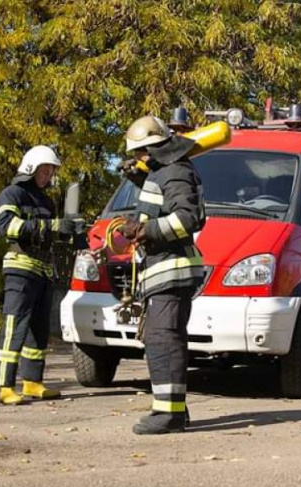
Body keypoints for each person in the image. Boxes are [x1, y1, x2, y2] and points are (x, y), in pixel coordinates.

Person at [119, 116, 206, 434]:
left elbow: (187, 217)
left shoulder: (175, 171)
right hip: (163, 269)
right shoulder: (165, 171)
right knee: (166, 338)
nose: (140, 160)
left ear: (155, 147)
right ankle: (175, 412)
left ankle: (167, 415)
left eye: (142, 153)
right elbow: (162, 204)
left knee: (162, 339)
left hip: (172, 268)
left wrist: (145, 229)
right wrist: (139, 183)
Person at [0, 145, 85, 405]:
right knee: (15, 326)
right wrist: (52, 225)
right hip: (20, 268)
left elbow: (50, 232)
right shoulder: (12, 194)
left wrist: (72, 231)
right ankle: (6, 385)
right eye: (44, 170)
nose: (48, 176)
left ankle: (33, 382)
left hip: (44, 269)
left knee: (39, 330)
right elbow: (8, 227)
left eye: (50, 171)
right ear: (31, 168)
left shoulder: (45, 200)